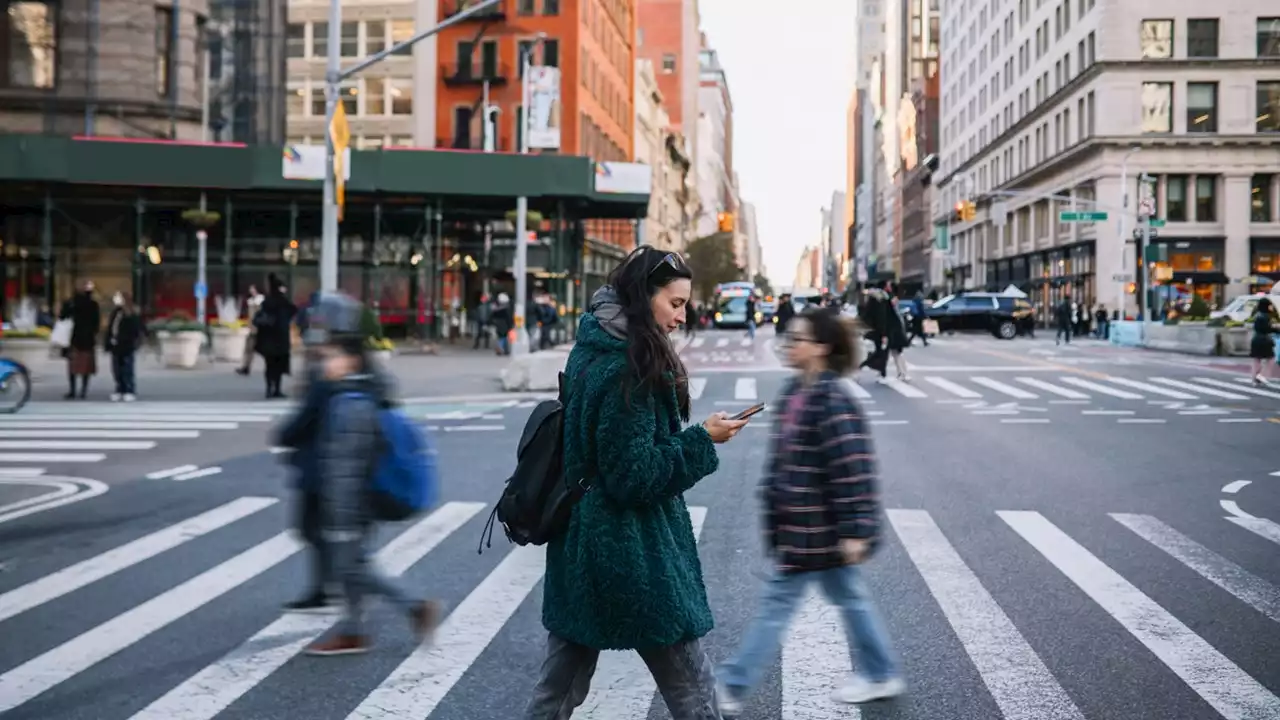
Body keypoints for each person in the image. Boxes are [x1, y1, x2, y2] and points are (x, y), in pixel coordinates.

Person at [525, 246, 749, 720]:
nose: (682, 316)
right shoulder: (630, 368)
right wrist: (702, 440)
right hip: (632, 550)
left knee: (560, 686)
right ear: (642, 297)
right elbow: (634, 475)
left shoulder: (594, 344)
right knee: (692, 686)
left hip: (582, 542)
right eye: (675, 303)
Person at [716, 308, 904, 715]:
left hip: (817, 531)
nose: (790, 344)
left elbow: (853, 468)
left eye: (798, 338)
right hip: (803, 528)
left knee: (777, 607)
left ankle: (733, 683)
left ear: (820, 348)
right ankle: (880, 671)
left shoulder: (833, 398)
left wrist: (856, 530)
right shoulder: (794, 393)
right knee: (850, 599)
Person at [287, 292, 440, 655]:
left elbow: (345, 461)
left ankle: (416, 607)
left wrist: (338, 509)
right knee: (353, 562)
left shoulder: (350, 392)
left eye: (324, 332)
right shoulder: (367, 382)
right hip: (361, 493)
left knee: (352, 567)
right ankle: (355, 631)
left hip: (350, 497)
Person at [253, 275, 297, 398]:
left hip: (268, 339)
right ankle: (277, 389)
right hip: (280, 338)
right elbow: (293, 310)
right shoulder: (283, 301)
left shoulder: (267, 301)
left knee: (269, 365)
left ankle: (269, 389)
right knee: (279, 366)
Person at [60, 280, 100, 400]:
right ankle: (83, 390)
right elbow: (96, 323)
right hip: (88, 339)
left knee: (73, 367)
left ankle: (72, 390)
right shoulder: (93, 304)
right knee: (86, 368)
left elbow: (62, 317)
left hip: (74, 338)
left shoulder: (71, 303)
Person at [103, 291, 145, 402]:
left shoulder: (131, 313)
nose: (116, 299)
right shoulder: (116, 312)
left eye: (118, 297)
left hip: (126, 345)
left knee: (127, 369)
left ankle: (129, 390)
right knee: (117, 370)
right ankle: (119, 389)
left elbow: (136, 329)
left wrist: (130, 340)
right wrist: (108, 342)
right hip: (115, 345)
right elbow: (111, 328)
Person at [1249, 296, 1276, 387]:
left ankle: (1254, 379)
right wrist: (1276, 328)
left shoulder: (1257, 314)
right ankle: (1262, 375)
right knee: (1271, 358)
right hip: (1264, 340)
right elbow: (1267, 329)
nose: (1271, 307)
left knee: (1257, 359)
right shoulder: (1265, 316)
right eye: (1269, 305)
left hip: (1256, 339)